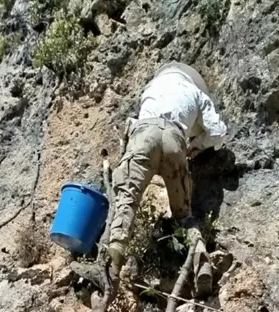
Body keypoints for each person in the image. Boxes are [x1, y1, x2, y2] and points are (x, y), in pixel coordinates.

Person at [76, 62, 227, 296]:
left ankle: (110, 271)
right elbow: (217, 132)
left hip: (144, 136)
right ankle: (202, 262)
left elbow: (138, 122)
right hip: (175, 140)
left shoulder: (152, 87)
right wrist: (194, 147)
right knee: (184, 215)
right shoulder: (195, 92)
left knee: (126, 203)